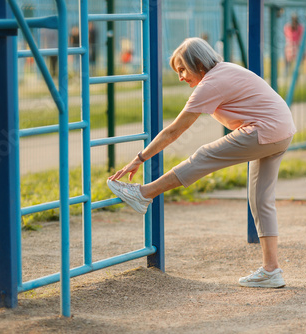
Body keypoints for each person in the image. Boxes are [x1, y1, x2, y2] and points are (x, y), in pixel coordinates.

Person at [107, 38, 296, 289]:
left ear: (198, 64)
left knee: (204, 156)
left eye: (183, 69)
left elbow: (173, 132)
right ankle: (272, 270)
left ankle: (143, 194)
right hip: (282, 131)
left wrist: (139, 159)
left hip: (264, 130)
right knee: (261, 199)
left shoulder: (211, 83)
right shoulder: (226, 69)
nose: (181, 77)